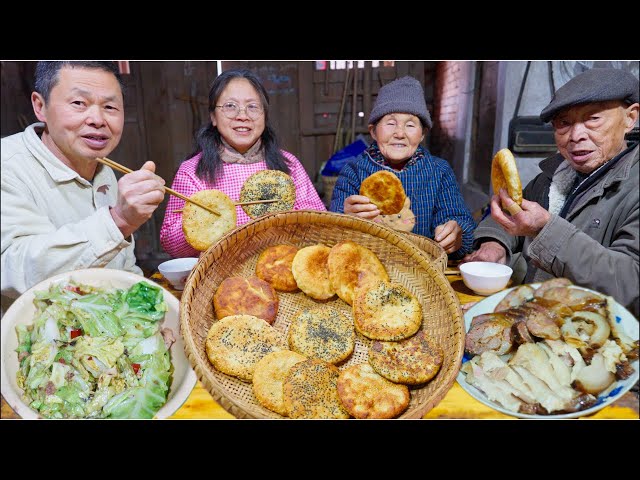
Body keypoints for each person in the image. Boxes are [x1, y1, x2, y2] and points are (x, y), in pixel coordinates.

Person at [462, 67, 639, 317]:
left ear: (630, 118)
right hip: (529, 316)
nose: (576, 135)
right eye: (564, 123)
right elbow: (508, 212)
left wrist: (544, 230)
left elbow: (630, 283)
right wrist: (495, 243)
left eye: (593, 118)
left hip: (587, 337)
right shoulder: (554, 176)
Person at [1, 61, 166, 310]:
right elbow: (13, 269)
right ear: (40, 106)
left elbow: (121, 266)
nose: (98, 119)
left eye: (110, 107)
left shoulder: (104, 171)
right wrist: (119, 220)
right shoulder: (7, 165)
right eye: (79, 103)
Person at [160, 69, 326, 258]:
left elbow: (319, 223)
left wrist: (291, 216)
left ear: (264, 116)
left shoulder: (289, 164)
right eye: (230, 106)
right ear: (213, 117)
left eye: (253, 107)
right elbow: (170, 244)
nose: (242, 115)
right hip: (218, 275)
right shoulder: (192, 171)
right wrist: (198, 225)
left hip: (279, 266)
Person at [329, 75, 476, 257]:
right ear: (373, 131)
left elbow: (461, 222)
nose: (399, 133)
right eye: (390, 123)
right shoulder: (354, 171)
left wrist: (456, 234)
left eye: (410, 125)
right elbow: (330, 229)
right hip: (368, 270)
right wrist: (345, 219)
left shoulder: (439, 171)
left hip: (423, 271)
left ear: (422, 134)